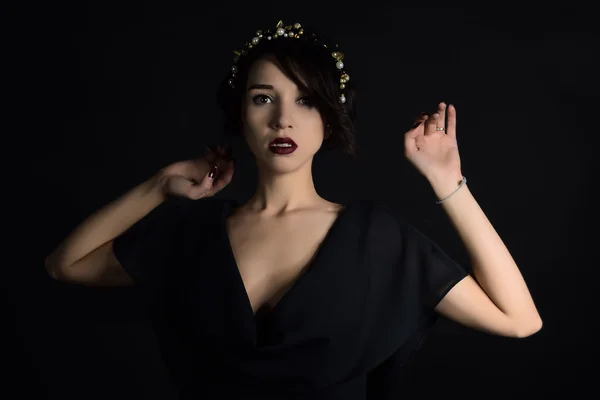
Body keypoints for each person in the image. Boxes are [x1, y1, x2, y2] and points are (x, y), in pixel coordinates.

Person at [44, 19, 542, 399]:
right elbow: (65, 264)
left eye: (306, 101)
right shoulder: (192, 235)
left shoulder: (376, 239)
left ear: (330, 117)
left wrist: (447, 182)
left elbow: (519, 319)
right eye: (264, 98)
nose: (283, 119)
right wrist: (157, 185)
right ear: (242, 115)